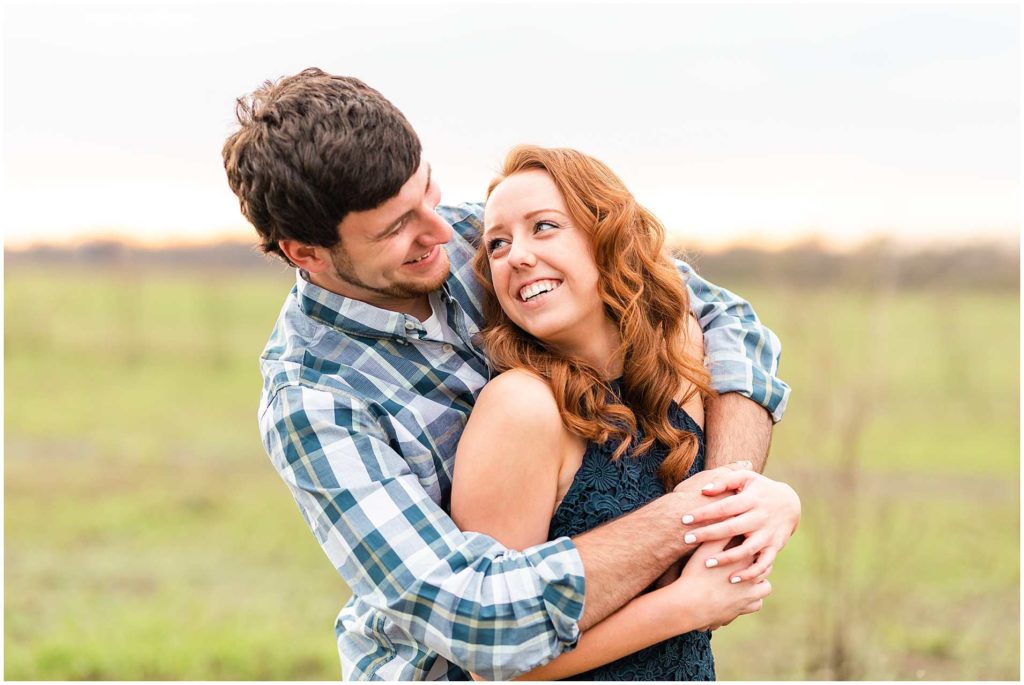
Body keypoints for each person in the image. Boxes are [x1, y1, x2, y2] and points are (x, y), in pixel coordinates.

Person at [221, 67, 796, 681]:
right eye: (396, 228)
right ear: (305, 254)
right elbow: (477, 621)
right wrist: (692, 524)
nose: (441, 232)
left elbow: (722, 319)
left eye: (428, 191)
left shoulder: (488, 237)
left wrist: (737, 498)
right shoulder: (313, 402)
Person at [452, 146, 798, 680]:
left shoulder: (682, 357)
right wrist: (680, 609)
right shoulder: (520, 406)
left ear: (607, 234)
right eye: (497, 244)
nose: (516, 254)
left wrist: (778, 500)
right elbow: (496, 668)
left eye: (544, 227)